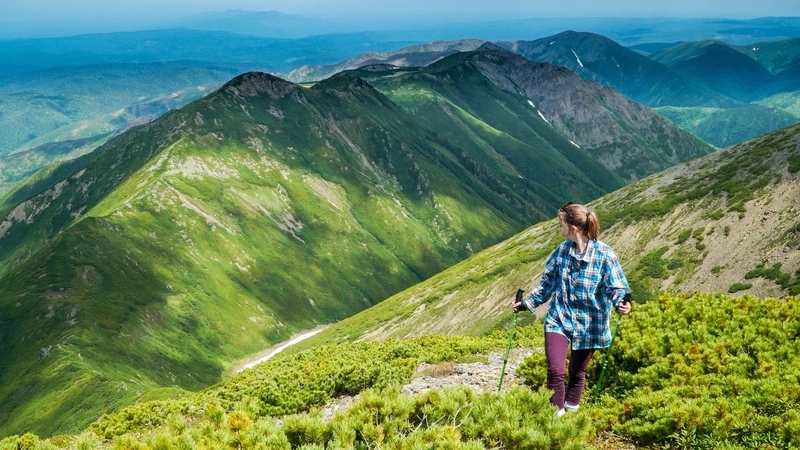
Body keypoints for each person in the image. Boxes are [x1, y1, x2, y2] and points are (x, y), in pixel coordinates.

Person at [512, 201, 631, 416]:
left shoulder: (605, 255)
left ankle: (571, 415)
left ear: (572, 228)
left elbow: (617, 287)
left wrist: (622, 303)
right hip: (559, 318)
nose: (559, 229)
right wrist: (527, 304)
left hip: (590, 324)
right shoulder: (562, 251)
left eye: (560, 225)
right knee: (555, 370)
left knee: (577, 372)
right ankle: (556, 419)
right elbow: (547, 283)